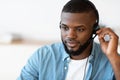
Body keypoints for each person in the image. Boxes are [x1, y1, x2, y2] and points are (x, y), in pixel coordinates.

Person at [17, 0, 120, 80]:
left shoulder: (111, 60)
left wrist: (113, 56)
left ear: (95, 30)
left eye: (80, 29)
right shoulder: (42, 56)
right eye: (65, 28)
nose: (70, 36)